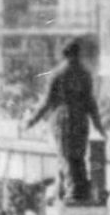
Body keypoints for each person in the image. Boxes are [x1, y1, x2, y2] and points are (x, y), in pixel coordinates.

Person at [26, 42, 105, 205]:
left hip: (63, 119)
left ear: (64, 54)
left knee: (66, 156)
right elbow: (91, 103)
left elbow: (47, 101)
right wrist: (98, 125)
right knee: (79, 156)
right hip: (81, 120)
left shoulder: (57, 74)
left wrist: (32, 120)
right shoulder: (85, 74)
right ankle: (81, 190)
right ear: (77, 54)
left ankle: (73, 191)